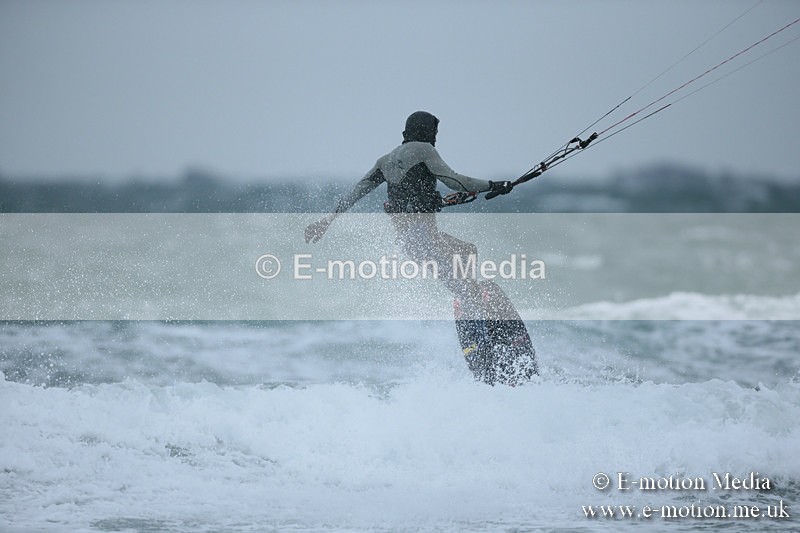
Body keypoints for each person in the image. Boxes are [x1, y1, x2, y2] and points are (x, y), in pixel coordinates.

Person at [304, 111, 515, 380]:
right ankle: (483, 347)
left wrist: (327, 221)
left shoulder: (386, 160)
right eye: (435, 133)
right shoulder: (423, 149)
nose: (436, 140)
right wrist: (494, 185)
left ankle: (472, 315)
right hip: (424, 240)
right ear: (426, 130)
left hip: (412, 241)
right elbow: (454, 180)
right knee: (467, 289)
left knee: (467, 252)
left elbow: (357, 193)